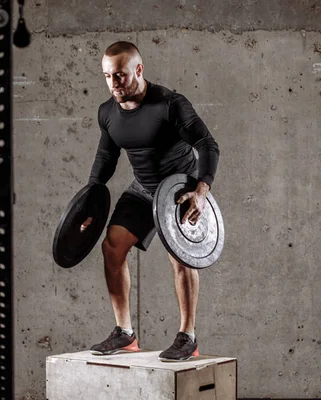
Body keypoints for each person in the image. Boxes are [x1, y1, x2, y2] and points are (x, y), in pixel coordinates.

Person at [82, 41, 220, 361]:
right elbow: (105, 158)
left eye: (119, 75)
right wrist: (89, 201)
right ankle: (125, 333)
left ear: (138, 70)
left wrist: (200, 193)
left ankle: (188, 336)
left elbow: (207, 145)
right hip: (144, 189)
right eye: (107, 76)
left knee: (181, 259)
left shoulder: (169, 104)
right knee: (112, 246)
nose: (114, 84)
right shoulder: (107, 113)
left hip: (178, 188)